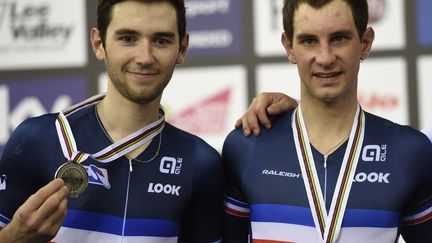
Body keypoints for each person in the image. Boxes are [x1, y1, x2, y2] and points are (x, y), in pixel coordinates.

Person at [0, 0, 224, 242]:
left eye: (161, 40)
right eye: (128, 38)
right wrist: (14, 238)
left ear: (182, 48)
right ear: (99, 43)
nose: (145, 57)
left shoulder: (201, 162)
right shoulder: (37, 139)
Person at [222, 0, 432, 242]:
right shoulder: (246, 147)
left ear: (365, 43)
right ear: (289, 47)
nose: (325, 57)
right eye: (309, 40)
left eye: (339, 38)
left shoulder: (409, 152)